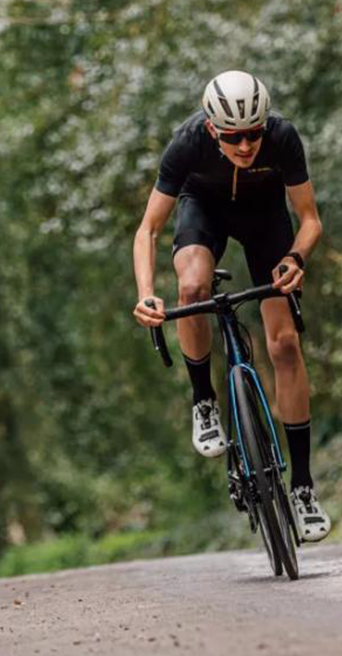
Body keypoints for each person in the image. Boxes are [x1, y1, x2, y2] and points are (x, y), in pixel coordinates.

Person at [131, 69, 330, 542]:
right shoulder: (187, 145)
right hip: (205, 208)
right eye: (233, 137)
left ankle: (301, 486)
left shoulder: (282, 139)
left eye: (253, 134)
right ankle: (204, 400)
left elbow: (309, 220)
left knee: (283, 344)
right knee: (193, 288)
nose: (245, 147)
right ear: (212, 129)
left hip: (266, 221)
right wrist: (144, 293)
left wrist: (295, 257)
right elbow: (148, 230)